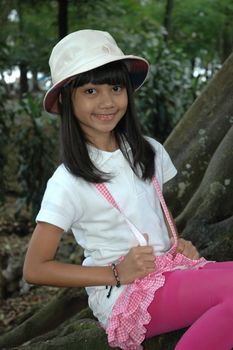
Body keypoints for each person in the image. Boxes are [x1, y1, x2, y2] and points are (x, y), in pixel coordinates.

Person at [23, 29, 233, 350]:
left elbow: (149, 209)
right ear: (66, 98)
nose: (107, 101)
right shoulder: (67, 181)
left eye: (116, 87)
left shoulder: (149, 150)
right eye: (91, 90)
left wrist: (177, 241)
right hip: (126, 293)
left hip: (167, 270)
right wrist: (116, 273)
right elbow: (35, 268)